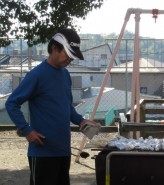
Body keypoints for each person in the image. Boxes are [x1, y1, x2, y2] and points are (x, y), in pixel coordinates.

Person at [5, 28, 96, 185]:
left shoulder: (65, 75)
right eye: (68, 54)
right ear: (54, 48)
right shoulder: (36, 75)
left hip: (63, 150)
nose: (70, 60)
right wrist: (26, 130)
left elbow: (67, 107)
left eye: (73, 57)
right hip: (42, 153)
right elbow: (11, 103)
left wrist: (81, 121)